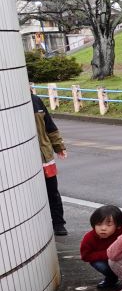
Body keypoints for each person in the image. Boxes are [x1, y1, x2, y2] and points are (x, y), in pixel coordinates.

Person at [32, 93, 68, 236]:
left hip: (45, 156)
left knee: (52, 191)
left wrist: (59, 146)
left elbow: (50, 126)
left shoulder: (36, 100)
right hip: (26, 160)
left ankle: (58, 223)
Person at [80, 205, 122, 289]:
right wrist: (108, 254)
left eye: (109, 225)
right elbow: (85, 256)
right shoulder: (89, 238)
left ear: (118, 226)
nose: (103, 228)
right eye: (99, 224)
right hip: (105, 261)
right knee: (99, 264)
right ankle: (111, 278)